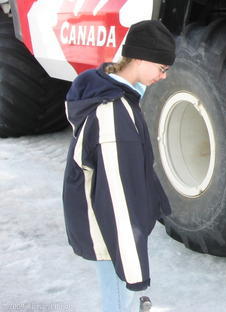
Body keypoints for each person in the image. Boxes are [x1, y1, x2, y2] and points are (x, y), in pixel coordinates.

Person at [62, 20, 175, 312]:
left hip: (108, 225)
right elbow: (117, 199)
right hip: (110, 230)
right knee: (118, 298)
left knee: (119, 294)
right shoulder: (114, 113)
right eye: (162, 68)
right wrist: (133, 264)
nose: (163, 77)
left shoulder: (110, 92)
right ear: (140, 57)